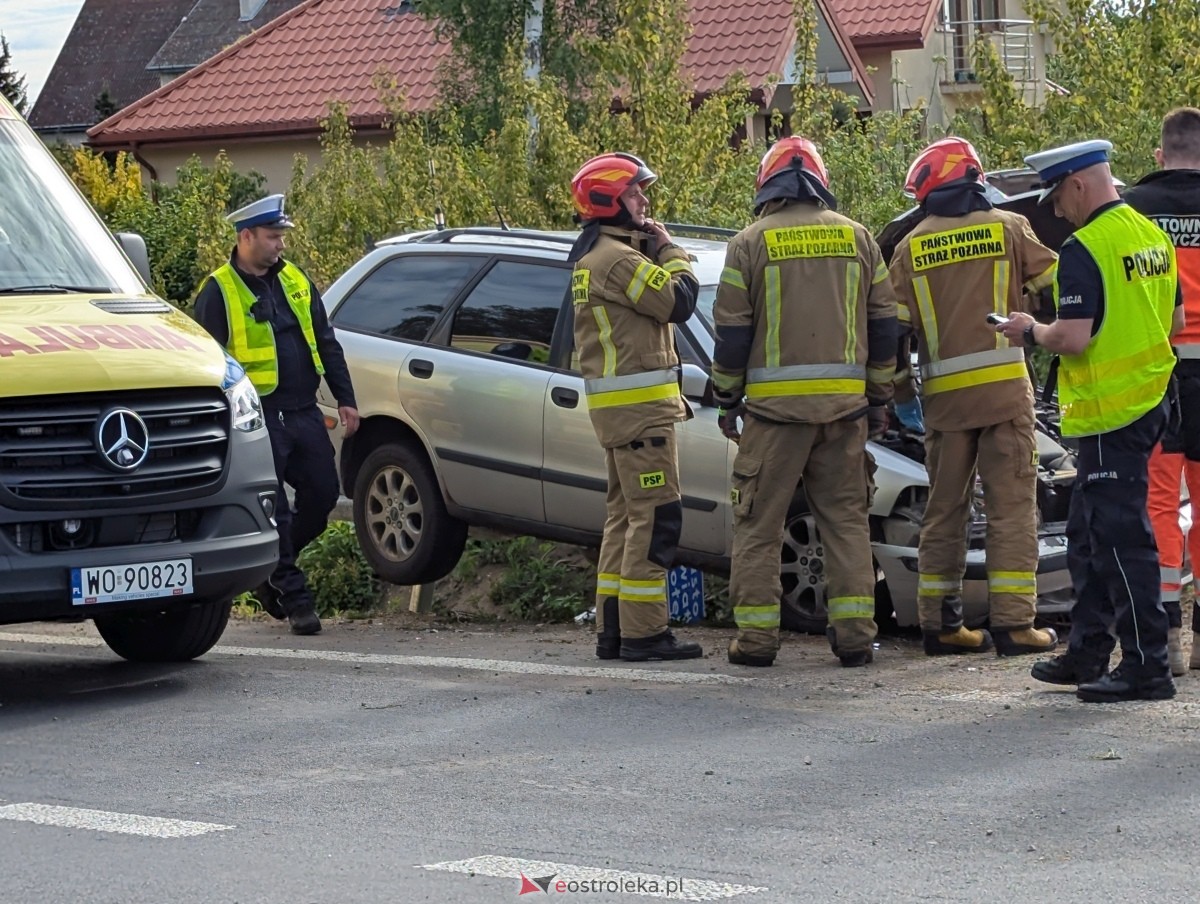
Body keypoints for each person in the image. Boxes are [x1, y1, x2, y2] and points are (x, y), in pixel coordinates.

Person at [998, 140, 1183, 702]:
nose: (1056, 210)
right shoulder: (1151, 235)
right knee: (1086, 532)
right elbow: (1173, 321)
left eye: (1057, 197)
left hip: (1109, 416)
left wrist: (1030, 330)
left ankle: (1147, 666)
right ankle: (1088, 650)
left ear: (1077, 184)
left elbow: (1073, 338)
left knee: (1122, 542)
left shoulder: (1085, 248)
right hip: (1149, 403)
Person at [711, 136, 897, 668]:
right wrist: (878, 397)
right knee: (845, 523)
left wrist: (726, 399)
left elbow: (731, 337)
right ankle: (857, 638)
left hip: (772, 418)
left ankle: (756, 643)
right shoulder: (859, 239)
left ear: (766, 186)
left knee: (758, 525)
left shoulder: (748, 244)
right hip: (844, 413)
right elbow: (885, 329)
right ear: (821, 184)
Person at [889, 137, 1060, 658]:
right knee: (1011, 508)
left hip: (944, 402)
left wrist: (898, 394)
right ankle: (1014, 625)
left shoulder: (910, 246)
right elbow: (1058, 281)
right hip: (1006, 395)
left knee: (944, 511)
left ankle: (940, 626)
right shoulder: (1009, 228)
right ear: (975, 179)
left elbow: (893, 333)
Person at [194, 194, 360, 636]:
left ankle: (270, 569)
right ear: (245, 237)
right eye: (272, 237)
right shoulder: (218, 291)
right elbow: (207, 363)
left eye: (281, 237)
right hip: (257, 414)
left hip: (303, 411)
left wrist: (346, 397)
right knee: (277, 513)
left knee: (323, 497)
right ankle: (295, 596)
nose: (280, 246)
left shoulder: (296, 281)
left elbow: (326, 340)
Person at [567, 153, 703, 662]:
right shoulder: (618, 260)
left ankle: (613, 630)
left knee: (624, 519)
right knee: (656, 518)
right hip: (642, 416)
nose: (645, 201)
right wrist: (670, 249)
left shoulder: (595, 255)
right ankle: (645, 633)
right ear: (608, 200)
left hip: (623, 416)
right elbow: (680, 302)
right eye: (635, 193)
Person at [1123, 107, 1200, 676]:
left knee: (1157, 505)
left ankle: (1166, 639)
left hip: (1159, 377)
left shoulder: (1133, 212)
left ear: (1159, 155)